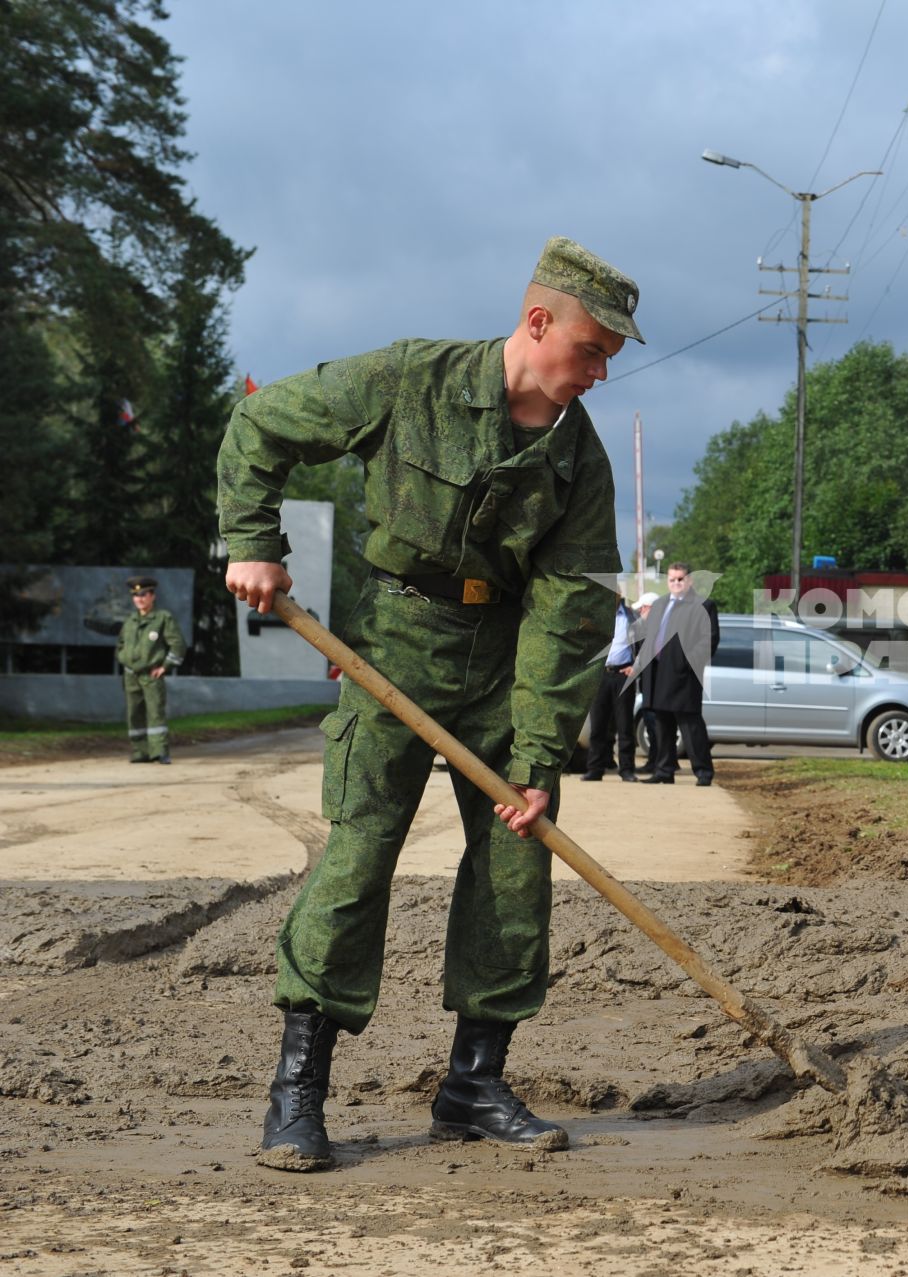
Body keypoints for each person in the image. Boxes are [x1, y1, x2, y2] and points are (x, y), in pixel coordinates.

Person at [218, 237, 637, 1172]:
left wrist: (536, 759)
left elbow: (571, 611)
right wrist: (252, 539)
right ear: (539, 323)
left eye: (612, 355)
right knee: (358, 859)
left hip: (505, 662)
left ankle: (473, 1086)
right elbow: (263, 427)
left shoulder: (580, 463)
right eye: (592, 348)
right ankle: (298, 1093)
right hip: (392, 647)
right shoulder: (412, 380)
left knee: (513, 867)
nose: (602, 371)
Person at [634, 563, 718, 786]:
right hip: (658, 674)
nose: (676, 583)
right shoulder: (660, 604)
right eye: (672, 579)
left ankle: (703, 772)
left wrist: (687, 662)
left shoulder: (703, 605)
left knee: (690, 726)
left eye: (680, 579)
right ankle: (664, 770)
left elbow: (709, 640)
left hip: (684, 676)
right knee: (662, 726)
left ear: (689, 581)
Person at [117, 576, 186, 765]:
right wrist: (123, 658)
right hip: (131, 675)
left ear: (152, 596)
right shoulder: (130, 621)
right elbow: (121, 644)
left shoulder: (162, 618)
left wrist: (165, 666)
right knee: (134, 714)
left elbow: (178, 645)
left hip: (151, 675)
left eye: (143, 594)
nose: (139, 599)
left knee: (155, 713)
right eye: (135, 595)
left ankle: (159, 752)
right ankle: (140, 751)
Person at [581, 593, 637, 782]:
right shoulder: (595, 615)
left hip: (623, 675)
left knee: (625, 725)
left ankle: (627, 769)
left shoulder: (632, 616)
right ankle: (595, 768)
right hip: (601, 675)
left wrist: (637, 664)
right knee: (598, 725)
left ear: (619, 596)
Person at [633, 591, 664, 775]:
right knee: (651, 724)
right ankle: (655, 761)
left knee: (655, 725)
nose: (640, 612)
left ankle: (657, 762)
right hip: (648, 687)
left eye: (643, 608)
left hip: (656, 688)